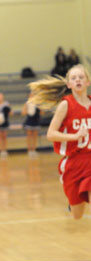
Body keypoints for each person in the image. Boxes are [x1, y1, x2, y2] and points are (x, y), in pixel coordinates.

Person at [29, 64, 91, 220]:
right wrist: (74, 136)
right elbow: (51, 134)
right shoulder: (66, 105)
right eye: (74, 78)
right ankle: (72, 204)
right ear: (69, 84)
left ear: (87, 82)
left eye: (81, 77)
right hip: (73, 163)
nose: (78, 80)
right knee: (77, 214)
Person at [21, 93, 41, 157]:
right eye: (31, 95)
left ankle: (34, 150)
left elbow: (41, 113)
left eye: (33, 95)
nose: (32, 96)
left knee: (35, 137)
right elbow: (23, 113)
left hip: (36, 121)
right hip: (29, 121)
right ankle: (29, 150)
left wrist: (40, 106)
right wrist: (27, 109)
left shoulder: (37, 103)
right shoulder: (27, 103)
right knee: (29, 136)